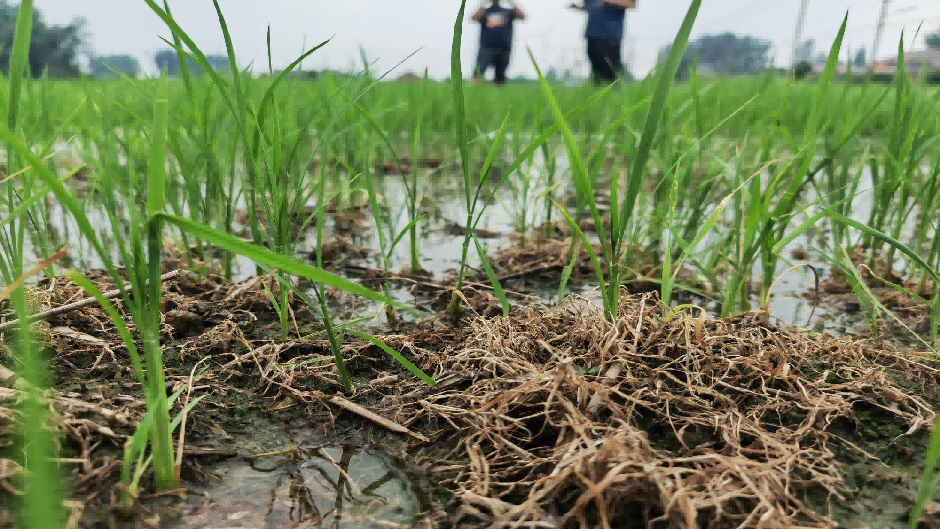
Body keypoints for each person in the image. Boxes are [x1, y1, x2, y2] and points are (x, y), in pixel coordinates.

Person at [569, 0, 636, 86]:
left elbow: (631, 3)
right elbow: (591, 5)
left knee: (611, 63)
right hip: (592, 32)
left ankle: (620, 85)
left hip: (610, 34)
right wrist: (579, 7)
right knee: (595, 62)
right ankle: (598, 88)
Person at [470, 0, 526, 86]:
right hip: (486, 47)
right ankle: (470, 91)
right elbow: (474, 17)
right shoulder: (485, 11)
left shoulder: (508, 12)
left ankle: (496, 93)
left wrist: (510, 1)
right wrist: (483, 2)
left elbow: (522, 16)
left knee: (500, 76)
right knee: (478, 72)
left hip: (504, 48)